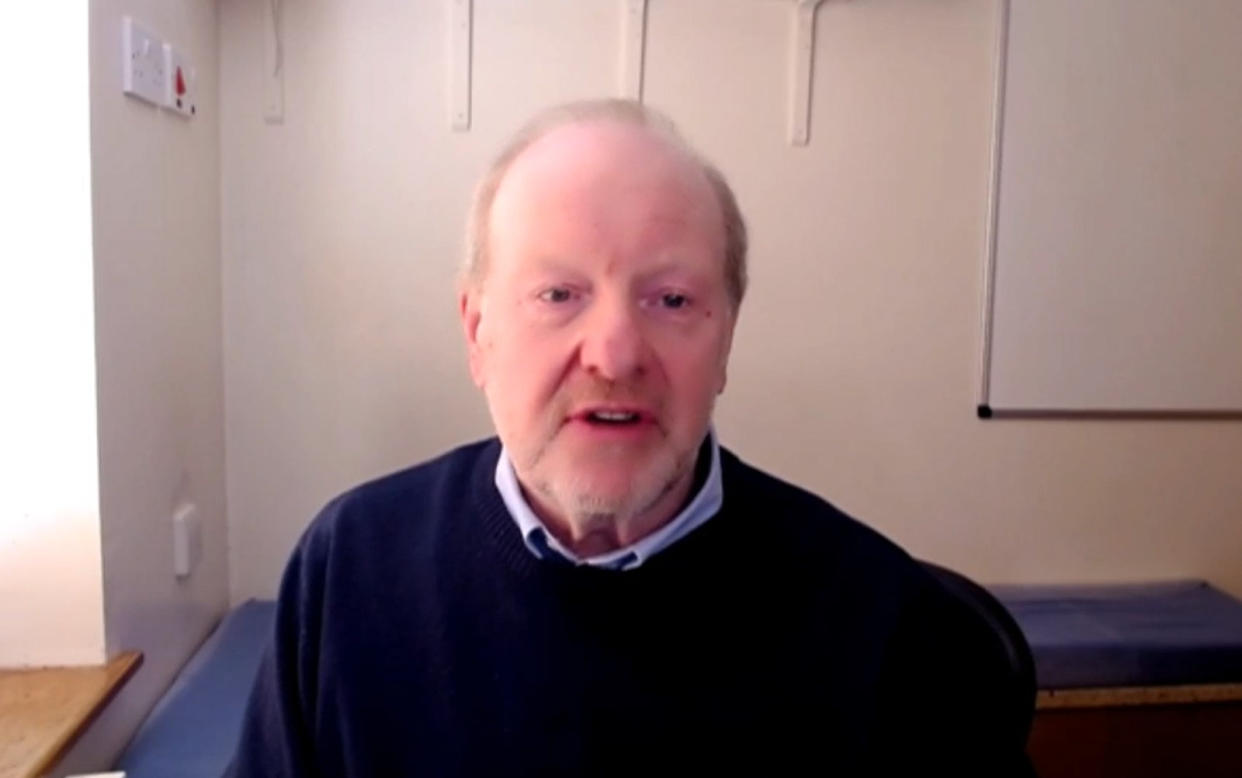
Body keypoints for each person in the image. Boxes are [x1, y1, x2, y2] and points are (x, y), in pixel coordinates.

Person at [228, 99, 1032, 776]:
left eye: (673, 300)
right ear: (477, 332)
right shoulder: (348, 571)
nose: (613, 354)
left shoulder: (888, 623)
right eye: (558, 293)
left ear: (726, 338)